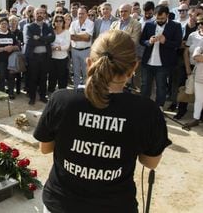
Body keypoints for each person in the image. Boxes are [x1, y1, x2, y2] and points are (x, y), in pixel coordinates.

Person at [34, 30, 171, 213]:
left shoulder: (61, 100)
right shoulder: (147, 111)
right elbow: (150, 162)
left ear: (90, 63)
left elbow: (45, 148)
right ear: (133, 68)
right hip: (116, 206)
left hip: (61, 204)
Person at [140, 5, 182, 108]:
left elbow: (178, 44)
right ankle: (143, 107)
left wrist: (165, 41)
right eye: (157, 18)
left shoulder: (175, 26)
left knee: (161, 87)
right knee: (145, 86)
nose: (160, 21)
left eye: (162, 18)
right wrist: (148, 41)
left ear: (167, 15)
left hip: (163, 64)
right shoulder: (149, 25)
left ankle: (159, 108)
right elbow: (141, 40)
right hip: (147, 62)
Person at [25, 8, 55, 105]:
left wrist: (39, 38)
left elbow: (52, 38)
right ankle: (32, 97)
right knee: (33, 77)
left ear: (45, 14)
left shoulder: (48, 26)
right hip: (33, 57)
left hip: (45, 57)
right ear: (34, 15)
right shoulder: (29, 27)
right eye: (37, 13)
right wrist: (45, 40)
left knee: (43, 77)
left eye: (41, 13)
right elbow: (29, 41)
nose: (39, 14)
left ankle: (43, 96)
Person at [48, 14, 70, 93]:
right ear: (54, 22)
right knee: (52, 77)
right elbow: (48, 44)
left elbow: (66, 46)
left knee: (62, 78)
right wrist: (57, 47)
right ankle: (51, 93)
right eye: (57, 21)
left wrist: (56, 48)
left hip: (62, 59)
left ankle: (62, 94)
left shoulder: (67, 32)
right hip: (52, 58)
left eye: (61, 20)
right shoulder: (51, 32)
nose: (59, 22)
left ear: (63, 22)